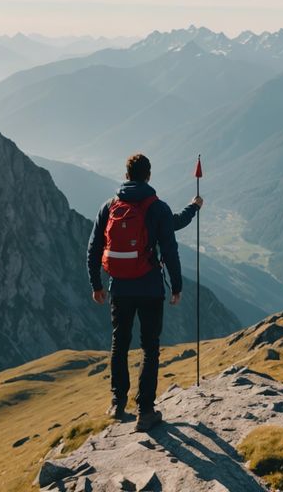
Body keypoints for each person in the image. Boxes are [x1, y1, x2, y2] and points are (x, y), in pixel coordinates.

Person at [86, 153, 201, 432]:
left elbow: (93, 248)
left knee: (120, 344)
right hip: (150, 288)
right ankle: (145, 412)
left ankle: (117, 402)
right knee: (150, 348)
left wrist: (96, 285)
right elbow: (170, 247)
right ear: (148, 175)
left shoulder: (110, 205)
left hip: (119, 287)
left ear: (126, 175)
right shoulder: (157, 208)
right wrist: (177, 287)